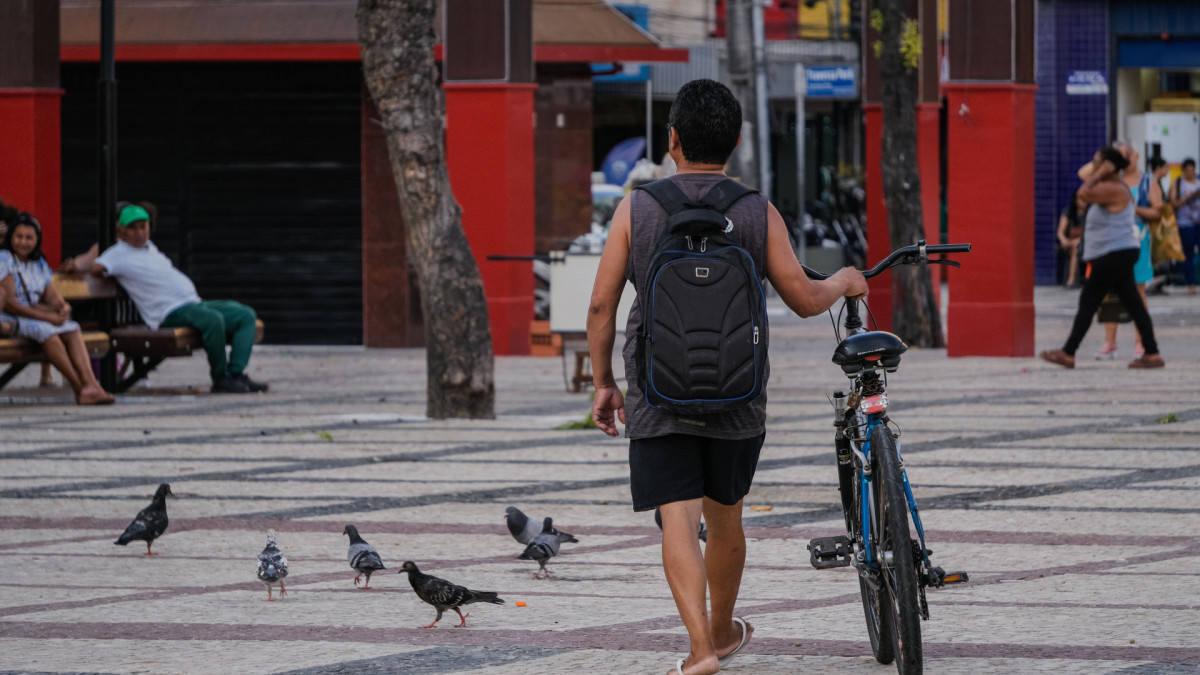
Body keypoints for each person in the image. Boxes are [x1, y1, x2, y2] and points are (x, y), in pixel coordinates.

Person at [586, 78, 868, 675]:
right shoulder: (756, 209)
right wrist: (844, 280)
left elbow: (601, 306)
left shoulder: (637, 208)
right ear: (736, 142)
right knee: (726, 519)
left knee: (678, 519)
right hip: (737, 396)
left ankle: (699, 649)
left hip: (657, 392)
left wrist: (603, 382)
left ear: (672, 139)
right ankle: (721, 628)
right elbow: (804, 299)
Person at [88, 202, 269, 394]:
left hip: (193, 304)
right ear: (121, 231)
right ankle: (220, 378)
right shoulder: (117, 253)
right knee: (212, 319)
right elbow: (95, 266)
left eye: (143, 226)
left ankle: (235, 374)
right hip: (168, 313)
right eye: (132, 228)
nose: (139, 232)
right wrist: (75, 265)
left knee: (245, 315)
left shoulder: (150, 248)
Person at [1041, 147, 1164, 370]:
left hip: (1114, 253)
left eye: (1098, 162)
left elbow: (1082, 194)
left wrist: (1099, 173)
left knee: (1089, 300)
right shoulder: (1113, 185)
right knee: (1134, 304)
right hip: (1119, 252)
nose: (1093, 165)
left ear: (1109, 167)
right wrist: (1100, 170)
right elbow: (1084, 176)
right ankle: (1152, 353)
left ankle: (1068, 352)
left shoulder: (1113, 188)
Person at [0, 213, 115, 404]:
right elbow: (11, 305)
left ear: (37, 240)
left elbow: (50, 295)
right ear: (11, 237)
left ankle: (91, 384)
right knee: (48, 332)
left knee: (73, 328)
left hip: (36, 316)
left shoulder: (39, 262)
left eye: (29, 238)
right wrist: (48, 318)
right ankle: (78, 387)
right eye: (19, 237)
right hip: (13, 318)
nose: (23, 242)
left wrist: (62, 306)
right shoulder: (5, 259)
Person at [1096, 153, 1168, 360]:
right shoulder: (1112, 180)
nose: (1127, 159)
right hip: (1112, 240)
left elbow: (1158, 212)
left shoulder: (1148, 181)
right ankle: (1110, 343)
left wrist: (1131, 208)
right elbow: (1083, 175)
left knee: (1138, 291)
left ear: (1137, 156)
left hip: (1139, 240)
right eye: (1122, 155)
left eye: (1129, 154)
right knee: (1110, 290)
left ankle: (1140, 342)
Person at [1167, 157, 1200, 295]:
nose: (1190, 173)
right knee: (1187, 255)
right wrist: (1187, 197)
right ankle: (1191, 284)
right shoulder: (1178, 183)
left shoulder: (1198, 180)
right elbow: (1173, 203)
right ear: (1183, 171)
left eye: (1192, 170)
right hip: (1185, 224)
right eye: (1187, 171)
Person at [1056, 188, 1086, 287]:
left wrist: (1079, 240)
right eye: (1081, 199)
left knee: (1076, 246)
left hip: (1087, 242)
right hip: (1070, 243)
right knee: (1075, 246)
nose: (1083, 202)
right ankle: (1071, 280)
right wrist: (1064, 240)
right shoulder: (1068, 212)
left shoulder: (1091, 213)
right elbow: (1060, 232)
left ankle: (1072, 279)